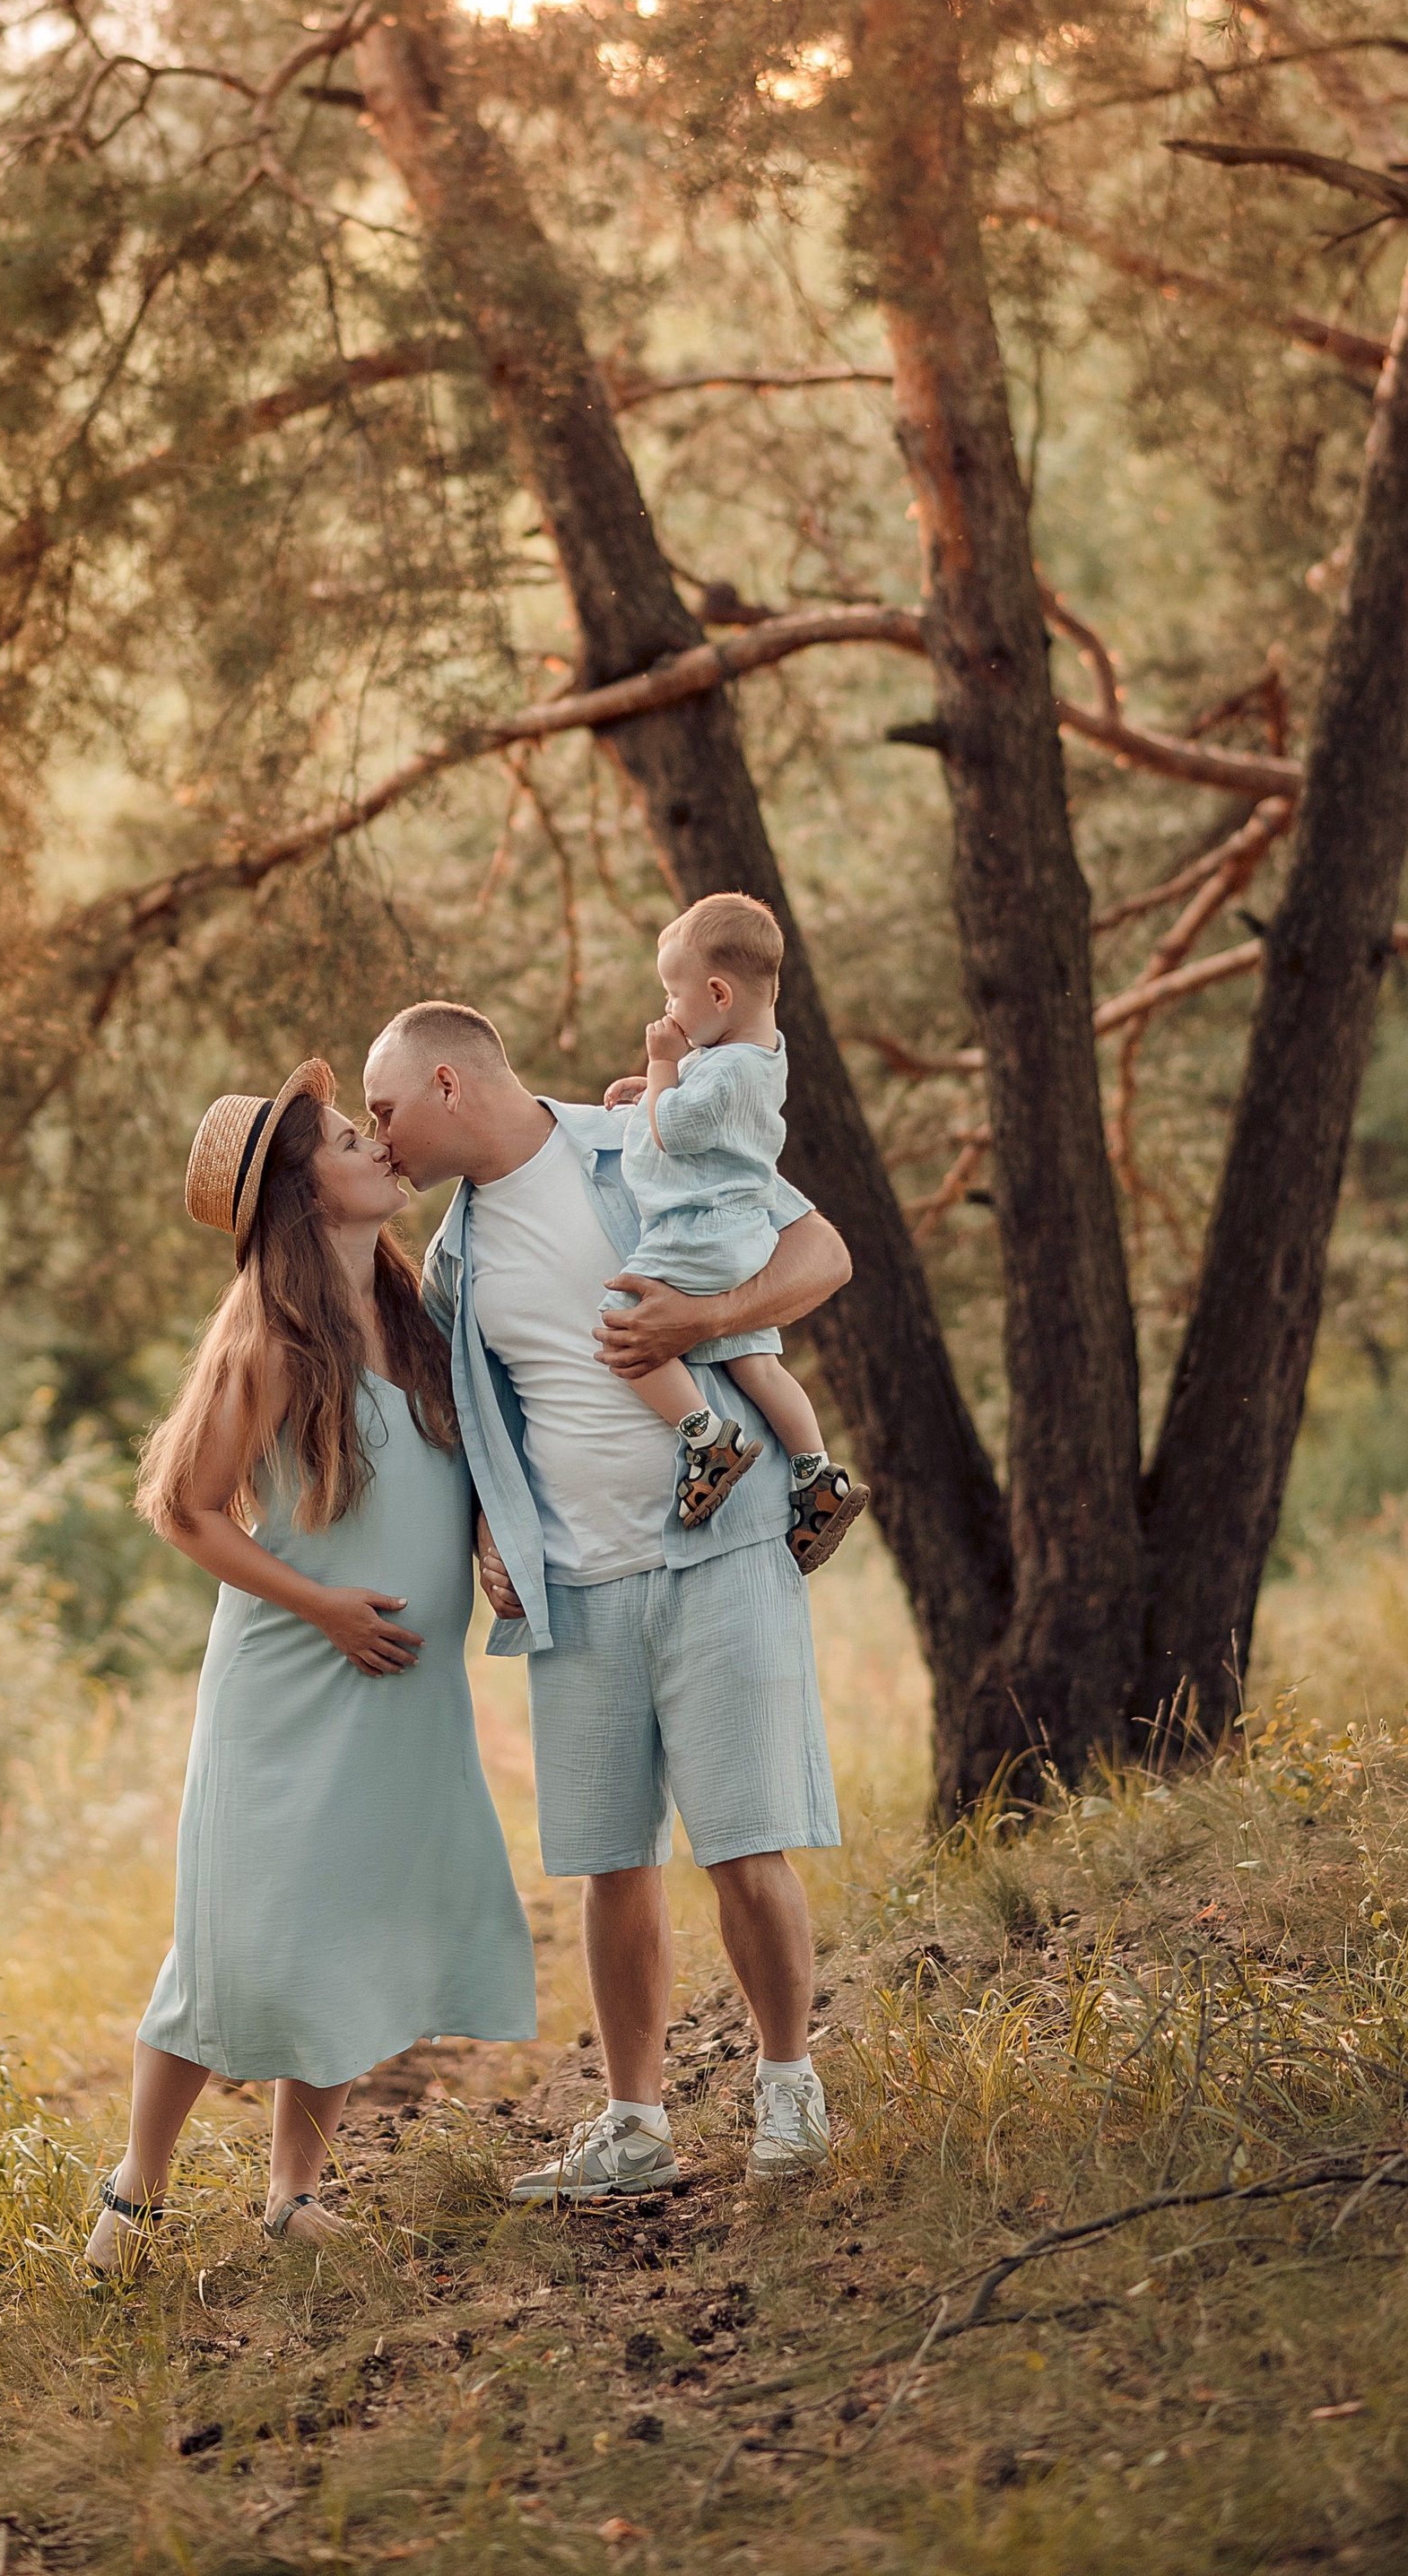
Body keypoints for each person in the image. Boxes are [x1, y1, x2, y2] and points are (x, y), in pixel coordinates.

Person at [361, 1000, 853, 2207]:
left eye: (386, 1112)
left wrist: (713, 1317)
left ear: (448, 1084)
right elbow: (487, 1421)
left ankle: (790, 2093)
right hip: (572, 1593)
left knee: (745, 1844)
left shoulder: (642, 1148)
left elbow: (823, 1254)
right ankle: (636, 2125)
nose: (381, 1141)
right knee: (608, 1868)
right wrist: (488, 1526)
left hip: (720, 1557)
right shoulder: (454, 1262)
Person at [83, 1058, 535, 2271]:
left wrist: (488, 1546)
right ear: (302, 1197)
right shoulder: (274, 1339)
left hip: (404, 1685)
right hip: (294, 1683)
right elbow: (188, 1510)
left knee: (354, 1923)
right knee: (237, 1937)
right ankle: (136, 2194)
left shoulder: (414, 1320)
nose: (378, 1146)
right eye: (346, 1141)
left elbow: (448, 1471)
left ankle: (293, 2197)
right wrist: (324, 1607)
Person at [598, 889, 866, 1574]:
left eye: (672, 995)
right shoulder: (754, 1054)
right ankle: (814, 1474)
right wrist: (653, 1086)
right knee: (753, 1359)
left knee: (626, 1319)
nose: (667, 1011)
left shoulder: (730, 1069)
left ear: (718, 992)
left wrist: (661, 1066)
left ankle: (706, 1439)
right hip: (739, 1236)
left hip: (698, 1230)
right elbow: (698, 1100)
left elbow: (684, 1125)